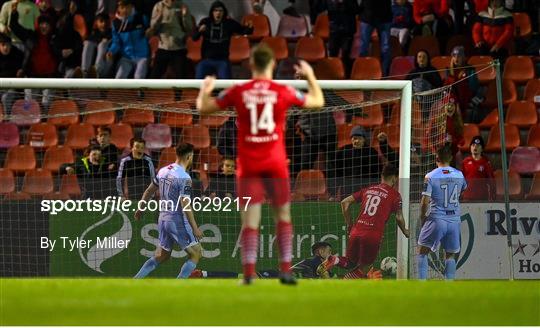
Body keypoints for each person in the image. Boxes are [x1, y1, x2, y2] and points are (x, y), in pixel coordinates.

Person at [196, 44, 324, 285]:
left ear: (251, 64)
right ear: (273, 65)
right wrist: (310, 77)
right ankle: (286, 270)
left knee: (250, 220)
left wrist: (206, 89)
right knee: (283, 216)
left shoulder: (239, 90)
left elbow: (204, 108)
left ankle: (248, 274)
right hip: (275, 163)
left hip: (249, 165)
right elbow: (317, 101)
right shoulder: (282, 90)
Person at [319, 165, 409, 279]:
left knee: (350, 262)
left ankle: (333, 259)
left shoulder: (368, 189)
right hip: (373, 234)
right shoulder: (395, 195)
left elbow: (344, 202)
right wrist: (405, 230)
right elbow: (399, 217)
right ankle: (343, 282)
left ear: (382, 176)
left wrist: (349, 224)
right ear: (395, 178)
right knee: (365, 268)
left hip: (356, 230)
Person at [134, 143, 204, 279]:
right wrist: (195, 227)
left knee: (162, 255)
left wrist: (141, 208)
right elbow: (185, 203)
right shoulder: (184, 177)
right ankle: (178, 285)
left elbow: (149, 191)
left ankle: (136, 280)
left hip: (162, 219)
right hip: (177, 220)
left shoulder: (163, 170)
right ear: (189, 157)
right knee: (196, 253)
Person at [417, 144, 467, 280]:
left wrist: (422, 217)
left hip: (436, 219)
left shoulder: (430, 176)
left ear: (436, 158)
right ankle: (448, 285)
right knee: (450, 255)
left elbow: (424, 201)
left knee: (422, 251)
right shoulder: (459, 175)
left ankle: (421, 285)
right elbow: (463, 190)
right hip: (454, 221)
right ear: (450, 158)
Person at [192, 1, 253, 79]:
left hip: (222, 60)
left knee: (225, 82)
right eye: (216, 11)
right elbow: (194, 38)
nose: (218, 13)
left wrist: (250, 28)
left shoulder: (229, 23)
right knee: (198, 81)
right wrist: (199, 32)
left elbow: (243, 31)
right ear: (212, 12)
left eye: (220, 11)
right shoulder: (205, 22)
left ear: (224, 12)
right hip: (206, 60)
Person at [147, 0, 193, 79]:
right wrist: (158, 18)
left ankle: (178, 92)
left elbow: (189, 28)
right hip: (163, 47)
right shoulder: (158, 6)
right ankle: (148, 91)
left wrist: (184, 16)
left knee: (181, 76)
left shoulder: (182, 5)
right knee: (154, 76)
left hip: (179, 48)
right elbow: (153, 28)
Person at [107, 0, 149, 79]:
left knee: (138, 77)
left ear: (132, 7)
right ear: (118, 9)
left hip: (142, 57)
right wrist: (111, 51)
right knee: (119, 78)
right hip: (126, 57)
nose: (125, 10)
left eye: (127, 7)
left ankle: (139, 92)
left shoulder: (142, 18)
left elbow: (150, 34)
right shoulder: (115, 24)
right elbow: (116, 42)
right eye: (122, 7)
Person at [336, 126, 381, 198]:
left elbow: (376, 172)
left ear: (364, 140)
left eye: (359, 139)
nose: (356, 141)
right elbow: (338, 171)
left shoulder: (371, 152)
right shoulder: (343, 151)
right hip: (347, 188)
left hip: (365, 188)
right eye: (354, 138)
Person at [444, 45, 482, 122]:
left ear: (464, 57)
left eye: (459, 56)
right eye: (454, 56)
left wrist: (463, 79)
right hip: (453, 100)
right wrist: (452, 74)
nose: (456, 58)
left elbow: (473, 87)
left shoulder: (470, 69)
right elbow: (447, 88)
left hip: (466, 98)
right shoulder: (448, 70)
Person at [358, 0, 392, 76]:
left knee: (386, 49)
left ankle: (383, 74)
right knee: (363, 48)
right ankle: (361, 73)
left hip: (384, 18)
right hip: (367, 17)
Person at [461, 136, 495, 201]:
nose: (475, 147)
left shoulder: (486, 162)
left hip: (482, 197)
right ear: (470, 147)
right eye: (473, 145)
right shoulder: (465, 162)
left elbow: (491, 181)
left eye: (478, 145)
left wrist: (492, 196)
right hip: (467, 197)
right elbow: (461, 180)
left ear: (482, 149)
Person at [80, 12, 112, 78]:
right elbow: (88, 39)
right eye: (101, 21)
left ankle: (96, 72)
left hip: (106, 65)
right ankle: (84, 72)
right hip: (91, 65)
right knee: (88, 43)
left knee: (103, 44)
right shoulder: (94, 32)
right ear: (97, 22)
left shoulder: (112, 32)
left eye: (106, 22)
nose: (104, 24)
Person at [0, 32, 24, 114]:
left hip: (13, 88)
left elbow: (25, 68)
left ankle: (8, 121)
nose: (5, 47)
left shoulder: (18, 54)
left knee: (6, 98)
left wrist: (22, 70)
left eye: (8, 45)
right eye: (3, 45)